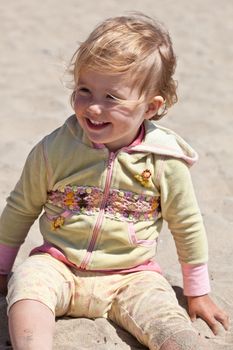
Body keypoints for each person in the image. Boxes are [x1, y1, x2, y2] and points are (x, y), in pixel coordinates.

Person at [0, 12, 229, 350]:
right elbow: (20, 208)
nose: (93, 107)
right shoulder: (54, 150)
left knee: (169, 321)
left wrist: (197, 291)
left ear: (150, 107)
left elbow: (187, 225)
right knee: (28, 286)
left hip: (132, 276)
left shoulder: (165, 160)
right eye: (84, 90)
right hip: (59, 262)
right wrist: (3, 268)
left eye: (111, 98)